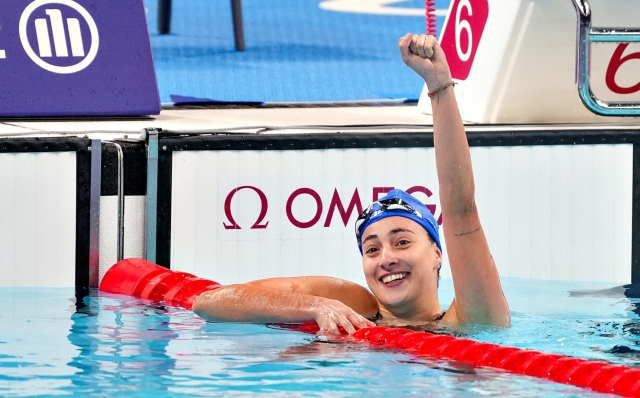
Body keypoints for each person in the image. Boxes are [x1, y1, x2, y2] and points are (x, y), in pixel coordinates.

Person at [192, 33, 511, 334]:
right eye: (372, 249)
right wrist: (314, 305)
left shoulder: (472, 318)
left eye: (402, 242)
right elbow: (210, 302)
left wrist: (439, 87)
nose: (386, 259)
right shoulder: (352, 305)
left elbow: (461, 209)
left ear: (437, 254)